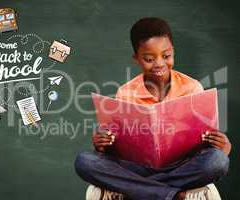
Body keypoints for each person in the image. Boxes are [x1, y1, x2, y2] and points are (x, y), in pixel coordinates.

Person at [74, 17, 231, 200]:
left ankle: (143, 190)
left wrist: (223, 146)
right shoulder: (125, 93)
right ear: (137, 59)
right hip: (137, 168)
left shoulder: (193, 88)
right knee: (85, 161)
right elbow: (117, 147)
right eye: (149, 58)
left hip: (181, 167)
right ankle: (171, 194)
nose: (159, 64)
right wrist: (102, 145)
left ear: (173, 51)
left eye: (166, 56)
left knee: (217, 161)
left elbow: (205, 143)